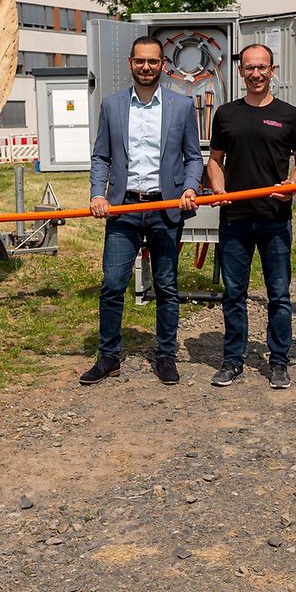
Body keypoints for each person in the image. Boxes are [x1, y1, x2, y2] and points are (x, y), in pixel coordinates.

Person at [80, 35, 203, 387]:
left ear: (163, 65)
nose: (146, 67)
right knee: (113, 285)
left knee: (166, 285)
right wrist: (97, 194)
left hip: (165, 207)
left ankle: (165, 356)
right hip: (124, 207)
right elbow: (101, 156)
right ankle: (108, 357)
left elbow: (193, 157)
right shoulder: (113, 105)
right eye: (140, 61)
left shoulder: (181, 106)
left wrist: (191, 187)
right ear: (130, 64)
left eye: (153, 61)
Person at [206, 43, 296, 389]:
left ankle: (279, 361)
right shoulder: (225, 114)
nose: (256, 74)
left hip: (274, 218)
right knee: (233, 293)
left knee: (278, 295)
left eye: (262, 67)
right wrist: (218, 189)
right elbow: (214, 161)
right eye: (249, 68)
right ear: (240, 72)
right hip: (235, 220)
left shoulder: (290, 114)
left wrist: (293, 185)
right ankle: (232, 360)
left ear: (272, 70)